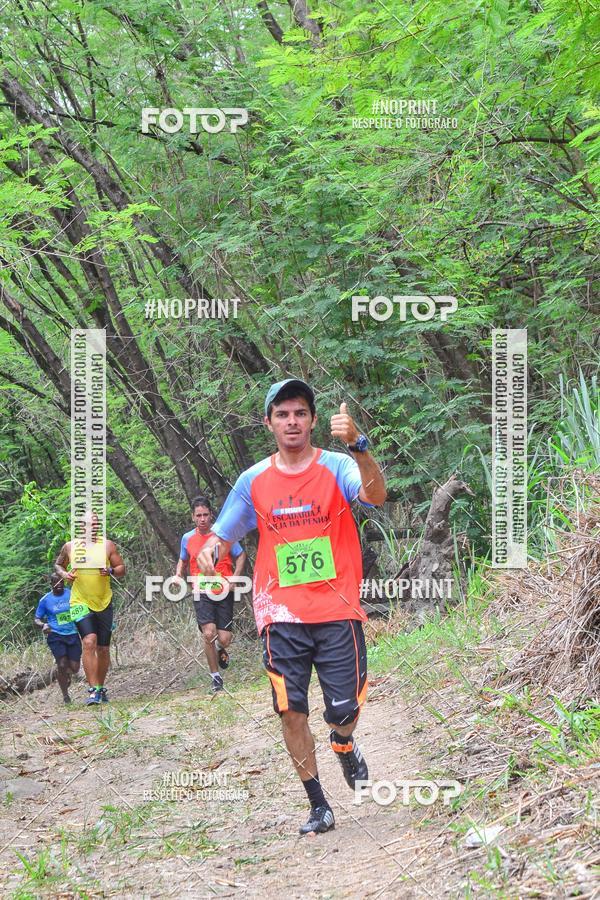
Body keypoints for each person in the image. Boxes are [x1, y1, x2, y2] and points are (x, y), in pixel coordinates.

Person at [197, 379, 386, 834]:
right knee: (291, 709)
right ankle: (318, 804)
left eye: (300, 412)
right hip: (280, 612)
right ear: (269, 423)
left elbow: (375, 495)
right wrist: (212, 547)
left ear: (313, 420)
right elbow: (224, 530)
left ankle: (344, 743)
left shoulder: (338, 465)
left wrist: (359, 445)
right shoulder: (253, 480)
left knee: (344, 710)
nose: (292, 421)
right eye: (282, 414)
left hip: (337, 608)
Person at [176, 496, 246, 693]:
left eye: (206, 514)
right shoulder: (187, 538)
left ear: (211, 515)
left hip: (223, 588)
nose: (202, 519)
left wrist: (236, 577)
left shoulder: (223, 535)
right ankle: (215, 677)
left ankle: (220, 649)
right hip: (201, 590)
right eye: (198, 515)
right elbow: (182, 559)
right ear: (193, 517)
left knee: (224, 639)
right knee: (209, 633)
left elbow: (240, 554)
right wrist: (177, 575)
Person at [54, 512, 126, 705]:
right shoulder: (70, 547)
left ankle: (101, 688)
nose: (93, 527)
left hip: (104, 601)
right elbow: (58, 565)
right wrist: (64, 574)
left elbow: (122, 569)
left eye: (96, 524)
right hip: (78, 602)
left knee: (103, 648)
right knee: (89, 641)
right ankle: (93, 690)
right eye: (89, 524)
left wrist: (110, 570)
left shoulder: (108, 545)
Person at [34, 574, 81, 704]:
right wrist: (43, 625)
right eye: (56, 582)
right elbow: (36, 619)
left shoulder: (71, 594)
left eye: (61, 582)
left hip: (72, 633)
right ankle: (65, 696)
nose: (59, 584)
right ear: (51, 584)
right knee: (61, 663)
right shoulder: (45, 600)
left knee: (75, 667)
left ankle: (66, 674)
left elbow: (80, 609)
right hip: (55, 634)